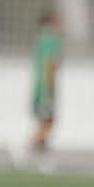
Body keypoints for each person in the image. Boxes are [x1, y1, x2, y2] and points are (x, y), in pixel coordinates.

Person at [28, 10, 63, 167]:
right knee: (47, 121)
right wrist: (49, 90)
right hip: (45, 89)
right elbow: (50, 64)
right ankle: (29, 150)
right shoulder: (51, 39)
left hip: (39, 88)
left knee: (46, 121)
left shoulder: (41, 39)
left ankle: (41, 153)